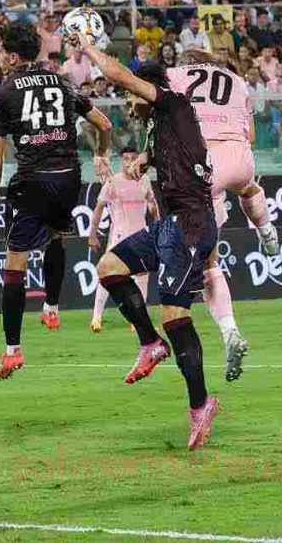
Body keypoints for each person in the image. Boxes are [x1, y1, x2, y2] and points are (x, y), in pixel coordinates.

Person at [73, 30, 221, 451]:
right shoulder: (159, 125)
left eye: (131, 96)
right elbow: (170, 153)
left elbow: (119, 74)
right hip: (171, 225)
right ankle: (150, 343)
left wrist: (88, 48)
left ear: (146, 89)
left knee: (175, 315)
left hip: (191, 224)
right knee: (109, 268)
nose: (128, 104)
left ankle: (201, 405)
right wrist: (143, 160)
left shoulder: (173, 103)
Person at [0, 20, 111, 382]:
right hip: (68, 176)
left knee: (15, 261)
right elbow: (105, 124)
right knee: (56, 235)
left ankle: (12, 352)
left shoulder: (4, 94)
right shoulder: (62, 82)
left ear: (12, 56)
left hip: (33, 179)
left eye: (1, 51)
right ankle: (51, 307)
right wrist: (101, 154)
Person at [166, 48, 281, 381]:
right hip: (241, 158)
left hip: (207, 164)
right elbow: (252, 135)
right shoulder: (236, 80)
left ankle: (230, 332)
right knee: (249, 188)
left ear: (188, 63)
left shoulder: (175, 76)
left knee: (209, 264)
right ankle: (267, 231)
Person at [87, 147, 160, 333]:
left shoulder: (144, 180)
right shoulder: (113, 182)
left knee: (142, 276)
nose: (129, 162)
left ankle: (138, 320)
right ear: (121, 161)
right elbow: (99, 207)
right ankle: (96, 317)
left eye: (133, 158)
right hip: (119, 236)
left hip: (141, 235)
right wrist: (92, 234)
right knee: (107, 274)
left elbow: (152, 205)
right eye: (126, 158)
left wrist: (157, 221)